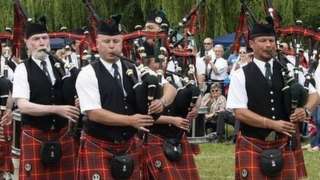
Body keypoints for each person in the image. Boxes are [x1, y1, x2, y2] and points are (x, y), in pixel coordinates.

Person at [75, 15, 176, 180]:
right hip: (98, 144)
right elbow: (94, 113)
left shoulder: (135, 69)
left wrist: (162, 102)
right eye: (106, 42)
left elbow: (170, 88)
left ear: (122, 43)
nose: (111, 46)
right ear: (97, 44)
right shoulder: (88, 73)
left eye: (115, 41)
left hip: (129, 145)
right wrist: (130, 121)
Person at [226, 23, 319, 179]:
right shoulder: (240, 74)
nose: (268, 45)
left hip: (284, 142)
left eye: (271, 40)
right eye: (263, 40)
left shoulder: (289, 70)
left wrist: (306, 110)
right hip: (252, 142)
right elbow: (240, 112)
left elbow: (315, 94)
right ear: (251, 44)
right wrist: (272, 124)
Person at [12, 18, 80, 179]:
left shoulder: (62, 66)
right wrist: (56, 109)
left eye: (44, 38)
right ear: (27, 43)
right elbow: (23, 106)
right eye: (36, 39)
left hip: (63, 135)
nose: (42, 42)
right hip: (35, 136)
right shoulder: (23, 69)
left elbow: (69, 99)